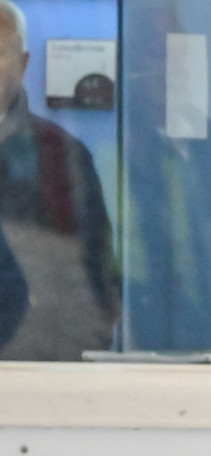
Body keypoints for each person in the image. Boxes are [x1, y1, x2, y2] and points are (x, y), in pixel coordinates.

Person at [0, 0, 119, 361]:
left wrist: (60, 360)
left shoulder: (59, 154)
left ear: (22, 64)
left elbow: (96, 278)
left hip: (36, 366)